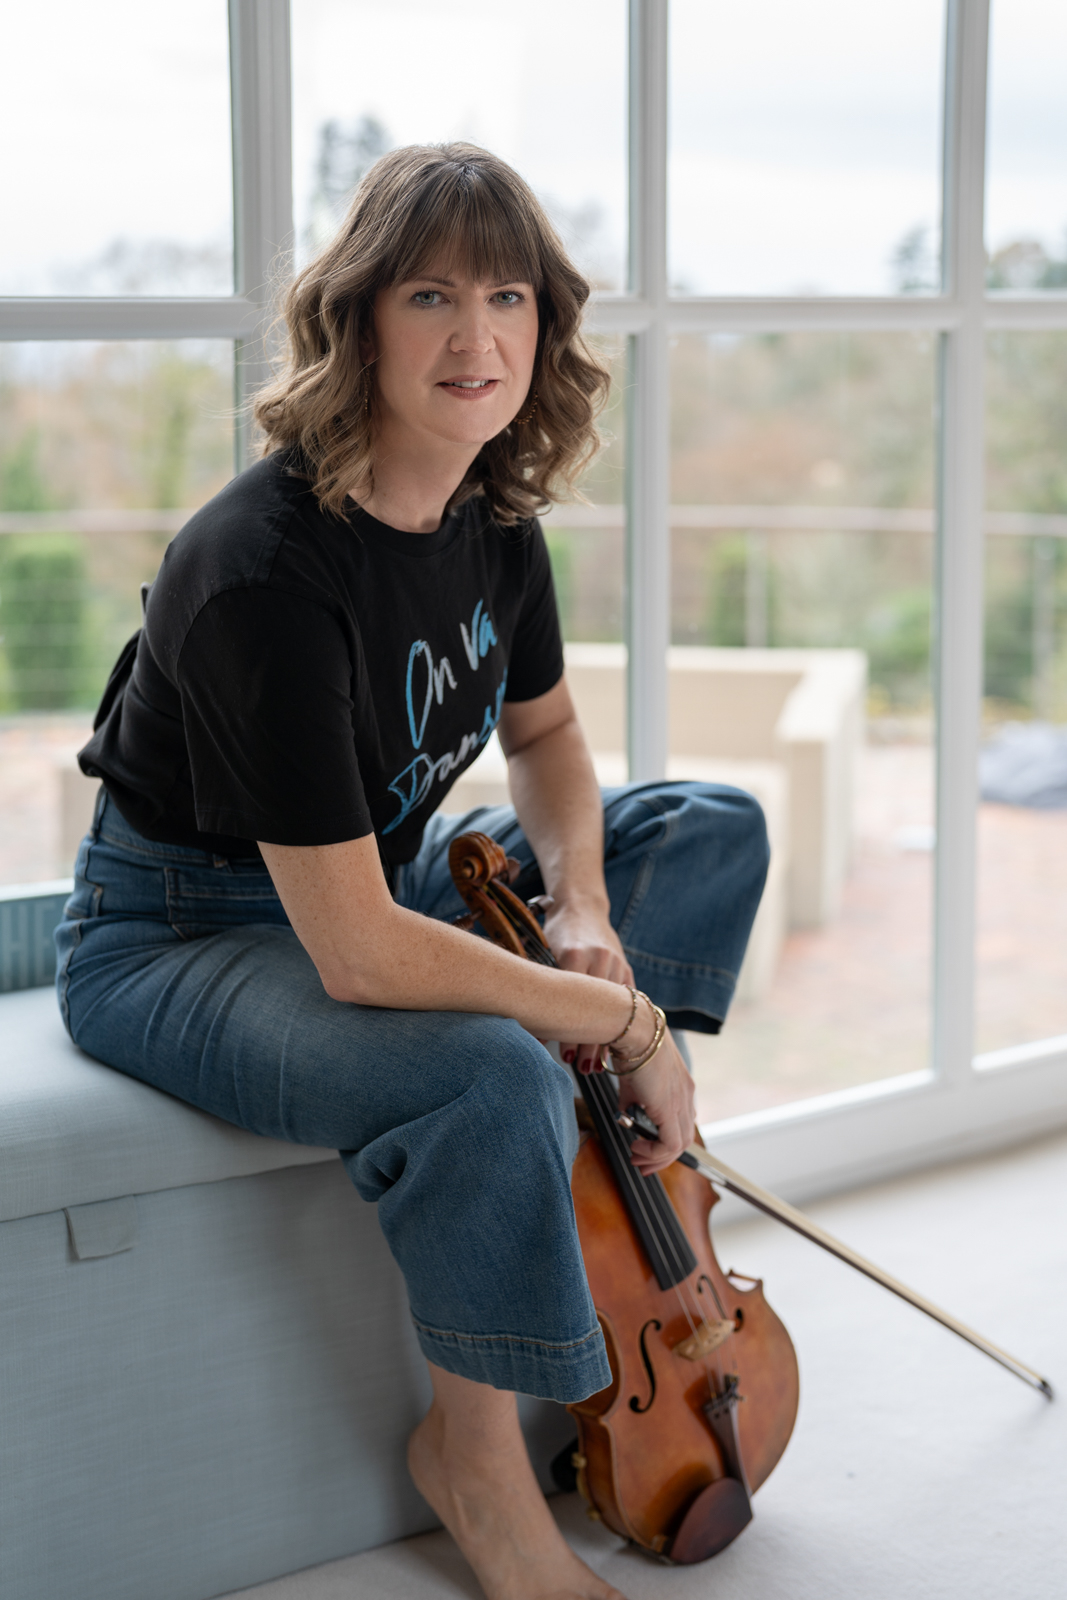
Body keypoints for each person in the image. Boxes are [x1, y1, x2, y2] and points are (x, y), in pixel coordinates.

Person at [56, 144, 768, 1600]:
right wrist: (614, 1022)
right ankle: (479, 1472)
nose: (477, 337)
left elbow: (553, 735)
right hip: (185, 937)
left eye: (508, 296)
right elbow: (362, 957)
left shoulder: (490, 516)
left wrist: (581, 914)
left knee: (706, 825)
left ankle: (603, 1208)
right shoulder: (262, 569)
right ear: (360, 318)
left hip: (375, 880)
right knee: (493, 1073)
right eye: (432, 294)